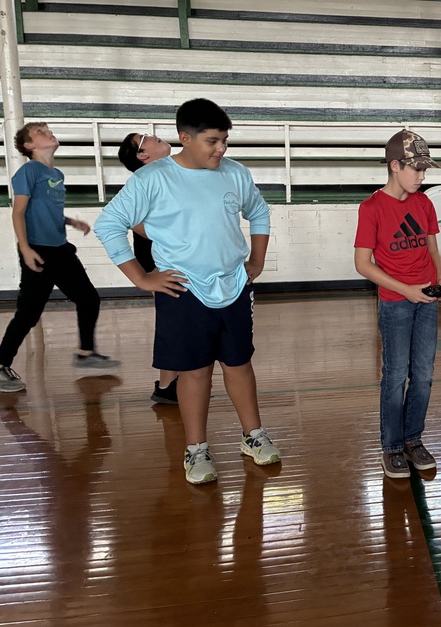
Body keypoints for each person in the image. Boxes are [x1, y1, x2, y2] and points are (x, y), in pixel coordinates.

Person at [94, 98, 280, 485]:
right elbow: (109, 225)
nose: (221, 149)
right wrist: (142, 278)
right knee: (194, 372)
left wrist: (256, 262)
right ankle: (196, 449)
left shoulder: (235, 173)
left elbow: (259, 211)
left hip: (233, 285)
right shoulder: (153, 179)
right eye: (213, 141)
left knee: (240, 364)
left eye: (225, 140)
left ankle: (253, 435)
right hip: (183, 290)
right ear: (185, 138)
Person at [354, 129, 441, 480]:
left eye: (425, 171)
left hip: (427, 300)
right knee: (395, 375)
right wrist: (406, 290)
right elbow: (363, 264)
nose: (422, 178)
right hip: (396, 302)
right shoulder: (372, 208)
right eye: (417, 170)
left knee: (423, 375)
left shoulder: (424, 203)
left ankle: (413, 439)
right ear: (395, 166)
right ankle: (391, 446)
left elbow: (433, 249)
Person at [0, 123, 121, 394]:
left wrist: (69, 221)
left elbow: (45, 209)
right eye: (41, 132)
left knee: (88, 299)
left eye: (48, 129)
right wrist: (25, 248)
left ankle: (86, 354)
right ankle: (0, 364)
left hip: (61, 249)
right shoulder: (29, 171)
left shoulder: (56, 173)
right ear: (29, 146)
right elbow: (18, 212)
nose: (48, 133)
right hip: (38, 251)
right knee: (29, 314)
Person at [118, 131, 179, 404]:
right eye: (145, 138)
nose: (154, 136)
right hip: (158, 261)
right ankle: (167, 386)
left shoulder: (170, 173)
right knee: (172, 320)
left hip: (172, 257)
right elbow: (128, 220)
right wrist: (167, 235)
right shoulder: (144, 180)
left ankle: (170, 383)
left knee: (178, 319)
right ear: (142, 155)